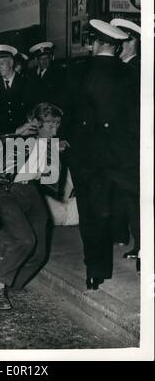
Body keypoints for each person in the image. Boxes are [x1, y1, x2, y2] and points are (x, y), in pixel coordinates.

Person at [67, 19, 138, 290]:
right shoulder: (130, 74)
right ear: (117, 48)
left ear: (95, 44)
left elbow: (68, 115)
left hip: (87, 157)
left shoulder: (77, 72)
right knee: (124, 205)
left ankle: (96, 272)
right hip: (121, 156)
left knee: (92, 214)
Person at [0, 102, 65, 310]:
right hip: (5, 191)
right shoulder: (18, 139)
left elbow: (49, 179)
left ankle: (13, 282)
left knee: (39, 253)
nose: (55, 130)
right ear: (36, 124)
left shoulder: (50, 145)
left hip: (29, 191)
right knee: (25, 239)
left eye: (57, 125)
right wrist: (16, 134)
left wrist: (56, 153)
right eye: (50, 125)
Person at [110, 18, 141, 263]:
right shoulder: (123, 68)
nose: (117, 46)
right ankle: (127, 235)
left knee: (136, 196)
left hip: (133, 144)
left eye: (121, 41)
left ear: (131, 41)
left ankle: (142, 245)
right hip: (123, 144)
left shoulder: (136, 69)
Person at [0, 44, 31, 133]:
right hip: (4, 133)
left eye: (2, 63)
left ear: (11, 62)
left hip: (24, 132)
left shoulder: (27, 83)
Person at [28, 41, 67, 110]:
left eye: (46, 58)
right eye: (41, 59)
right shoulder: (31, 74)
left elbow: (61, 96)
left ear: (51, 58)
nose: (44, 61)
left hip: (51, 111)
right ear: (36, 60)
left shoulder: (58, 73)